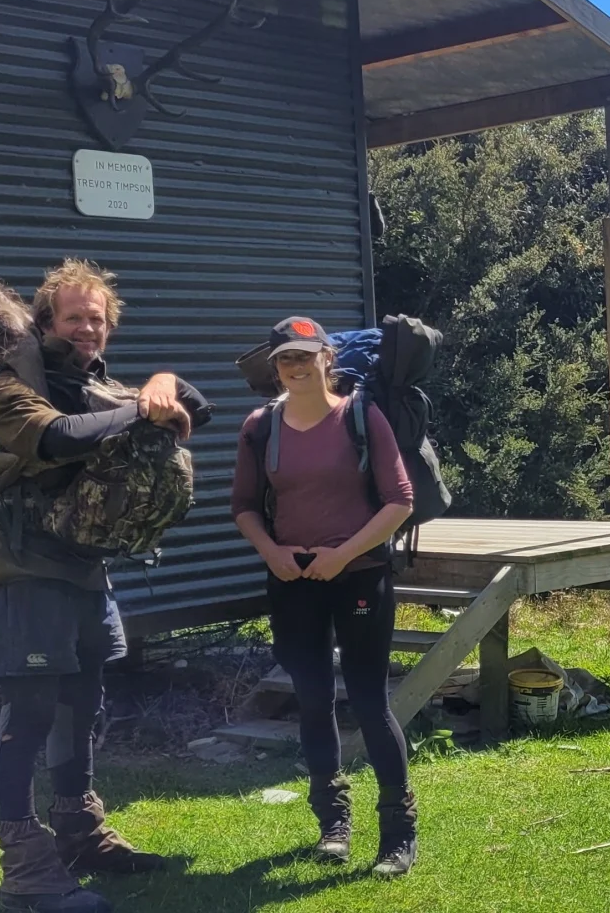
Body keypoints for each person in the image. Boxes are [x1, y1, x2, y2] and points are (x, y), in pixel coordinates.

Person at [0, 258, 212, 913]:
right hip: (24, 575)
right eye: (74, 317)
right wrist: (144, 406)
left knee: (80, 709)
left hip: (83, 573)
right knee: (28, 715)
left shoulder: (102, 387)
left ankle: (80, 837)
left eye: (98, 319)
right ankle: (23, 868)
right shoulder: (8, 386)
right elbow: (51, 440)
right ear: (47, 320)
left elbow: (199, 407)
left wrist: (164, 382)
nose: (87, 328)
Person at [230, 316, 419, 876]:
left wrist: (343, 553)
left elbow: (399, 499)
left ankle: (397, 834)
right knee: (311, 699)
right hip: (292, 581)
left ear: (326, 360)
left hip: (360, 576)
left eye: (306, 356)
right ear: (275, 365)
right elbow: (243, 504)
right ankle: (333, 824)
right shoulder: (261, 427)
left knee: (367, 701)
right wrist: (271, 552)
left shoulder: (362, 416)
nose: (295, 366)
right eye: (285, 357)